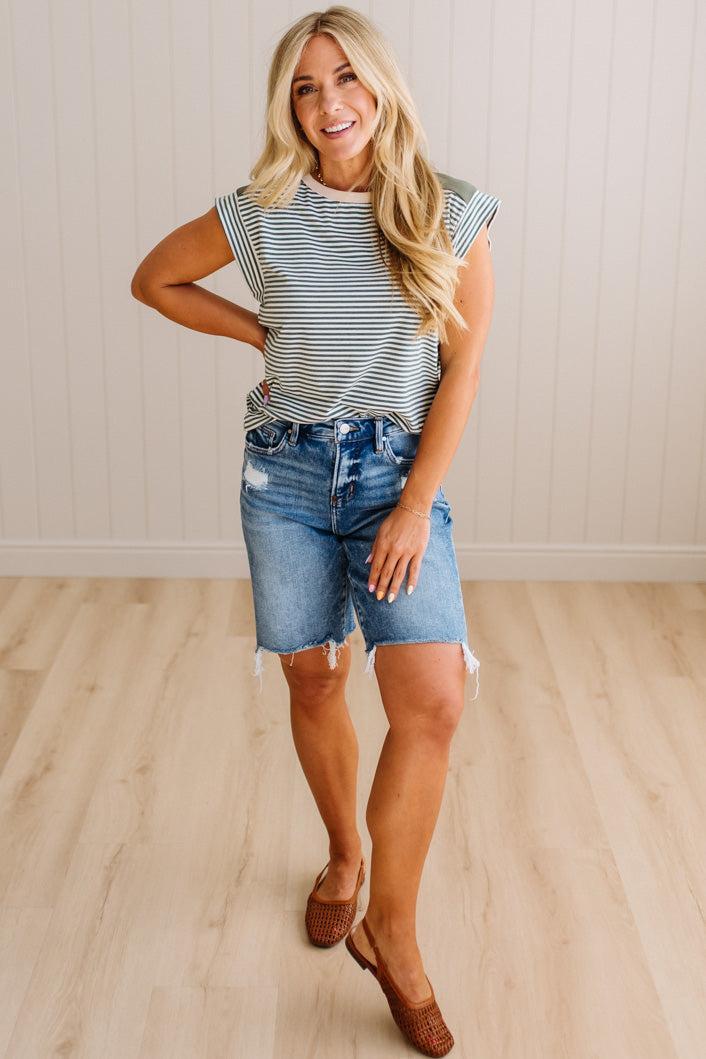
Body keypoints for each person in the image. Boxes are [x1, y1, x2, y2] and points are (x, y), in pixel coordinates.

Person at [131, 6, 500, 1055]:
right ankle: (343, 857)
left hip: (395, 475)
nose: (327, 102)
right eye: (304, 86)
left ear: (380, 88)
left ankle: (394, 928)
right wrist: (260, 331)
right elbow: (154, 279)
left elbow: (463, 371)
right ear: (286, 106)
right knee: (315, 678)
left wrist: (417, 500)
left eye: (344, 78)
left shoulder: (451, 208)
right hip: (285, 475)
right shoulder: (261, 210)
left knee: (430, 700)